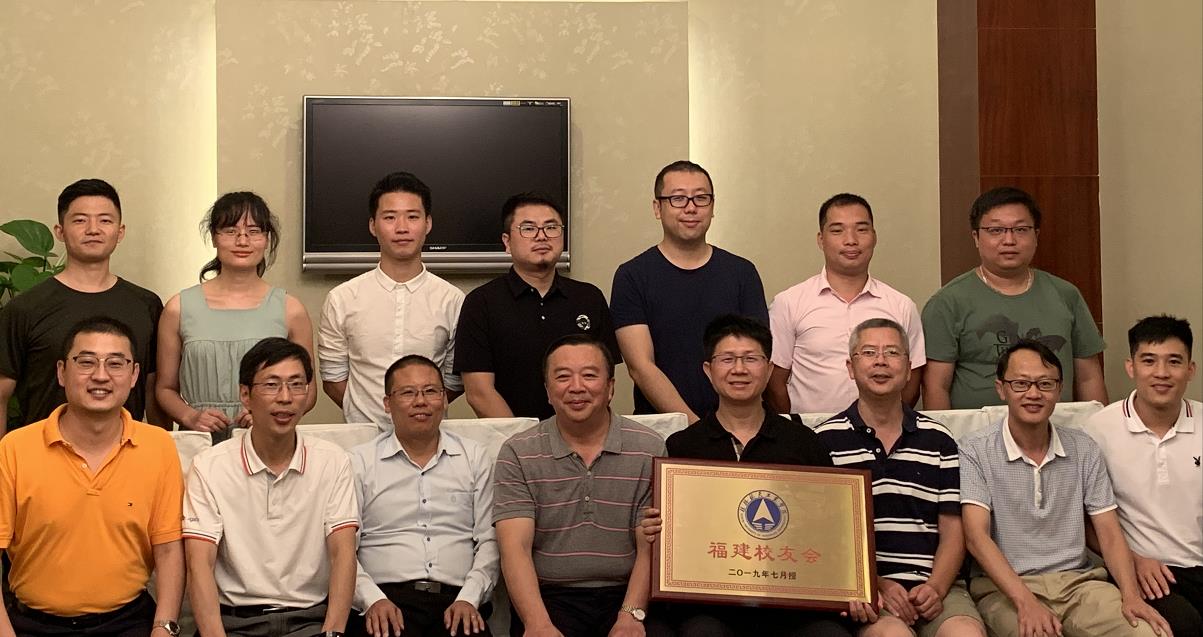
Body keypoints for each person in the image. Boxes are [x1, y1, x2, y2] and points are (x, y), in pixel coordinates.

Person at [639, 314, 853, 637]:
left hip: (791, 600)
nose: (739, 369)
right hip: (710, 603)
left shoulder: (804, 443)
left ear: (769, 369)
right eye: (727, 359)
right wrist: (656, 527)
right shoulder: (682, 447)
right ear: (708, 370)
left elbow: (831, 527)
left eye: (751, 359)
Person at [958, 340, 1171, 637]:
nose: (1034, 394)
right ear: (1001, 388)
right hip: (1006, 589)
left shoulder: (1083, 448)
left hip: (1080, 584)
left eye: (1045, 384)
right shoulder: (975, 450)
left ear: (1059, 390)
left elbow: (1109, 532)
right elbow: (976, 537)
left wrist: (1131, 595)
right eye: (1021, 384)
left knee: (1147, 633)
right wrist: (1026, 603)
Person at [0, 317, 184, 637]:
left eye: (115, 363)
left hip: (127, 622)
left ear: (134, 375)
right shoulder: (15, 448)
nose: (100, 375)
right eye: (86, 362)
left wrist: (164, 628)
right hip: (31, 624)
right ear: (61, 372)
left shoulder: (158, 447)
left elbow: (168, 549)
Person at [814, 318, 985, 637]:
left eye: (892, 352)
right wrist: (875, 584)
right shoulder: (824, 441)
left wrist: (935, 588)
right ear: (851, 367)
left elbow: (952, 529)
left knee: (965, 633)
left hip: (937, 586)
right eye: (869, 352)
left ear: (909, 369)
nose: (881, 361)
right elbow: (824, 536)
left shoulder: (939, 439)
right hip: (868, 591)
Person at [183, 338, 358, 637]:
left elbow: (343, 554)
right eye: (272, 385)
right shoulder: (209, 467)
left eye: (296, 385)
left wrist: (332, 634)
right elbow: (199, 563)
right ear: (245, 395)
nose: (285, 398)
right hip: (233, 624)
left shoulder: (333, 461)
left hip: (310, 621)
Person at [493, 334, 665, 637]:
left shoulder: (648, 447)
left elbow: (649, 545)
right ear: (548, 391)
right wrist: (537, 624)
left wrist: (630, 616)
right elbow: (514, 548)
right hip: (549, 598)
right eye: (562, 377)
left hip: (626, 594)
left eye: (589, 375)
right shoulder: (518, 452)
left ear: (611, 387)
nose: (576, 387)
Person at [349, 354, 498, 637]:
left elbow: (489, 540)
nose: (421, 401)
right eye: (408, 393)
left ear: (444, 399)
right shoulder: (359, 462)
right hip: (384, 603)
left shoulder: (473, 457)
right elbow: (343, 549)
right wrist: (372, 600)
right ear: (387, 403)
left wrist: (470, 598)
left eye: (430, 391)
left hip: (458, 602)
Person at [0, 178, 164, 432]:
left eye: (105, 220)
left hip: (126, 450)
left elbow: (153, 392)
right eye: (80, 220)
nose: (93, 229)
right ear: (60, 231)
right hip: (43, 451)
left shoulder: (147, 305)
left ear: (120, 232)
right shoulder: (25, 308)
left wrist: (162, 447)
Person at [921, 187, 1107, 410]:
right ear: (976, 237)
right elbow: (935, 386)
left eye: (1020, 229)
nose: (1009, 240)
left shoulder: (1066, 294)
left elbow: (1088, 378)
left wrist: (1100, 427)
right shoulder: (948, 302)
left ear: (1036, 235)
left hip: (1056, 425)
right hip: (976, 429)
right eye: (996, 230)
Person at [611, 160, 768, 423]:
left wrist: (722, 430)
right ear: (657, 208)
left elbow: (755, 356)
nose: (691, 208)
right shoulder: (632, 276)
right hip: (663, 427)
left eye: (701, 198)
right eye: (678, 199)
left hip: (737, 426)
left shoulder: (742, 273)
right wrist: (694, 428)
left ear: (712, 207)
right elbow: (640, 367)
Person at [156, 192, 315, 440]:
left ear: (266, 239)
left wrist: (270, 415)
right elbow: (165, 388)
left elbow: (308, 389)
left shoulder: (290, 309)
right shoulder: (178, 307)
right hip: (200, 440)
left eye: (253, 231)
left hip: (267, 440)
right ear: (214, 237)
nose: (242, 241)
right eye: (230, 231)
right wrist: (190, 416)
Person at [1085, 315, 1202, 636]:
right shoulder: (1098, 429)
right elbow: (1083, 518)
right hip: (1145, 570)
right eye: (1149, 361)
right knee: (1185, 626)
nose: (1161, 373)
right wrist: (1132, 560)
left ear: (1190, 369)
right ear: (1131, 367)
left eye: (1174, 362)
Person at [320, 172, 464, 430]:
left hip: (429, 438)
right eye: (389, 217)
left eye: (412, 216)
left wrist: (419, 415)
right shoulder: (342, 299)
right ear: (373, 225)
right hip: (363, 439)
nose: (402, 228)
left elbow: (454, 382)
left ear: (428, 223)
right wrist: (368, 417)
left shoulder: (452, 300)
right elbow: (333, 379)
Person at [455, 192, 620, 419]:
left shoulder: (589, 297)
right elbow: (479, 392)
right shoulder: (481, 303)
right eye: (528, 228)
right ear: (507, 242)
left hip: (582, 434)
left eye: (551, 227)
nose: (541, 236)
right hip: (512, 438)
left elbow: (603, 381)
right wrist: (524, 438)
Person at [767, 194, 925, 414]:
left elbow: (911, 380)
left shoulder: (901, 306)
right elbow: (774, 382)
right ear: (821, 239)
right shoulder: (789, 303)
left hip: (881, 431)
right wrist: (796, 428)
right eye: (837, 230)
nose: (851, 240)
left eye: (861, 229)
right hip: (810, 431)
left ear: (874, 237)